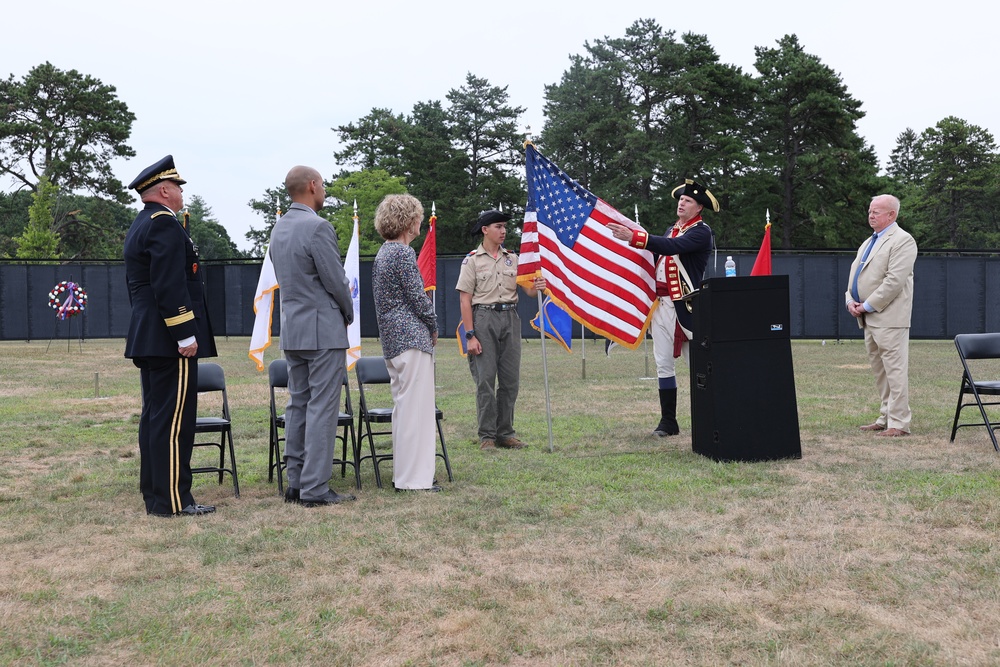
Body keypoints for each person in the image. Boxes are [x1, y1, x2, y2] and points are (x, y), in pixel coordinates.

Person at [124, 155, 218, 518]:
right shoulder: (163, 223)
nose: (181, 193)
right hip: (167, 338)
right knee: (174, 421)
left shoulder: (141, 223)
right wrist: (183, 333)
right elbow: (169, 283)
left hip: (149, 334)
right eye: (178, 187)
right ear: (164, 189)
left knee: (156, 418)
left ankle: (156, 495)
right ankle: (174, 501)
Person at [268, 166, 356, 506]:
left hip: (293, 329)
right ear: (312, 186)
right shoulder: (318, 227)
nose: (325, 191)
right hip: (323, 331)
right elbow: (336, 280)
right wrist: (348, 312)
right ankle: (315, 489)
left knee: (298, 405)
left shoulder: (279, 229)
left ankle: (296, 483)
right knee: (322, 408)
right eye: (323, 185)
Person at [607, 179, 718, 437]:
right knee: (663, 365)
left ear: (699, 207)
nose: (682, 202)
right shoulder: (672, 229)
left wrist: (636, 237)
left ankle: (713, 416)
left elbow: (672, 247)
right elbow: (657, 252)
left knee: (699, 365)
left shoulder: (701, 232)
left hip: (687, 309)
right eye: (680, 199)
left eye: (688, 200)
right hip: (661, 307)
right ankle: (669, 422)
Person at [456, 209, 545, 450]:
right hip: (483, 318)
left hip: (510, 318)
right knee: (485, 380)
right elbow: (465, 300)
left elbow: (527, 292)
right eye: (498, 226)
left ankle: (505, 433)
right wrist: (470, 335)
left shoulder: (513, 259)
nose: (503, 231)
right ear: (485, 230)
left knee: (510, 380)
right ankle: (487, 436)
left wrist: (537, 286)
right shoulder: (472, 260)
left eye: (505, 227)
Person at [372, 194, 441, 491]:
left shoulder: (383, 253)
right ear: (408, 221)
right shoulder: (402, 254)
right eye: (418, 218)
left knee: (404, 410)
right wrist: (434, 325)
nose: (420, 224)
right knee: (417, 412)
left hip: (393, 340)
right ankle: (414, 480)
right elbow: (418, 296)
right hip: (411, 338)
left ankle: (405, 474)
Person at [845, 194, 918, 437]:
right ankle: (886, 417)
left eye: (877, 211)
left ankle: (899, 423)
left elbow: (894, 282)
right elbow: (854, 276)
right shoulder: (868, 242)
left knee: (895, 371)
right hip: (868, 317)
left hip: (890, 318)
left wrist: (866, 305)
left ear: (892, 215)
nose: (871, 214)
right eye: (870, 210)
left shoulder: (903, 241)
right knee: (881, 372)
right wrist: (850, 301)